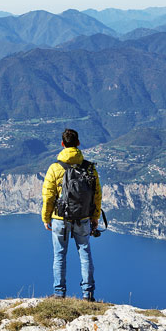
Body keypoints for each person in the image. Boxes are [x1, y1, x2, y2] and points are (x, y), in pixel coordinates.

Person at [41, 128, 102, 301]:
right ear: (78, 143)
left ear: (62, 144)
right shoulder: (89, 168)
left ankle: (59, 293)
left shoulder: (55, 168)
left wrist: (46, 218)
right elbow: (97, 194)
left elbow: (48, 196)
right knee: (85, 253)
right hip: (83, 218)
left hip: (60, 218)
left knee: (59, 255)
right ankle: (88, 294)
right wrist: (95, 217)